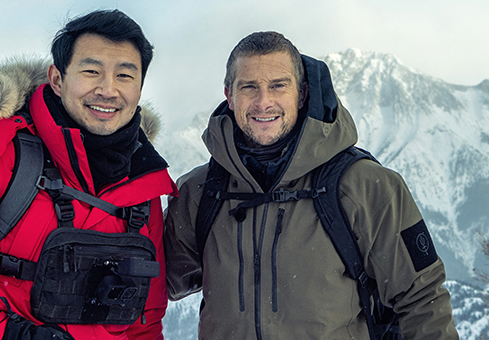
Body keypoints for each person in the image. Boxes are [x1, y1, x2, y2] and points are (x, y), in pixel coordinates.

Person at [0, 9, 177, 340]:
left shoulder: (144, 186)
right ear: (57, 78)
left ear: (140, 88)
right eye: (91, 71)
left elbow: (145, 322)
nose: (108, 90)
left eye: (125, 76)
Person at [164, 31, 459, 339]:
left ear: (302, 94)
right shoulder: (200, 192)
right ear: (229, 94)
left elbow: (423, 300)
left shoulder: (364, 186)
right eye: (249, 87)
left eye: (278, 85)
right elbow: (157, 282)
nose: (264, 102)